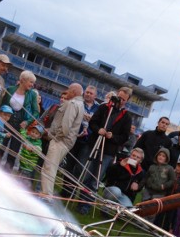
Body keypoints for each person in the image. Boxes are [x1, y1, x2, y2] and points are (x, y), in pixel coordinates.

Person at [79, 86, 133, 214]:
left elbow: (125, 137)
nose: (121, 101)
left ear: (127, 101)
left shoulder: (127, 117)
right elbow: (93, 122)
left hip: (108, 151)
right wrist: (99, 130)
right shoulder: (105, 108)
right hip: (94, 144)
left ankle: (86, 206)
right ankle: (80, 201)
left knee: (95, 179)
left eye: (124, 100)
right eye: (119, 98)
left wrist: (112, 136)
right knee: (86, 174)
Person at [40, 83, 85, 199]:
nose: (67, 91)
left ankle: (46, 196)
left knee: (49, 168)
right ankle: (46, 194)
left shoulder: (72, 104)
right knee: (50, 167)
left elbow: (66, 126)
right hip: (66, 141)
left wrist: (55, 137)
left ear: (74, 92)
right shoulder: (80, 104)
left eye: (69, 90)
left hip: (60, 141)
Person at [60, 85, 99, 198]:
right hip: (75, 138)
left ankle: (72, 191)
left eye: (91, 93)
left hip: (88, 141)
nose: (88, 94)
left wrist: (91, 120)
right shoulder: (78, 102)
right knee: (69, 165)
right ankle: (65, 191)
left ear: (95, 96)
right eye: (87, 92)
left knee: (80, 168)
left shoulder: (98, 108)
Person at [1, 70, 41, 171]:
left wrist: (27, 122)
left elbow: (36, 112)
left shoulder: (32, 95)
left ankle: (6, 173)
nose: (32, 85)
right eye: (30, 82)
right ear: (23, 80)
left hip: (20, 126)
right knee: (0, 146)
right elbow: (2, 105)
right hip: (6, 122)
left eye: (33, 82)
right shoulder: (10, 89)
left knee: (13, 152)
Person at [142, 148, 176, 226]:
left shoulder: (169, 168)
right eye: (159, 155)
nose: (161, 157)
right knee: (144, 205)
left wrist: (164, 186)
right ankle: (140, 221)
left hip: (160, 192)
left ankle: (148, 224)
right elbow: (146, 177)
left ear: (167, 158)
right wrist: (140, 186)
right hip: (148, 190)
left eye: (163, 156)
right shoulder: (152, 166)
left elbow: (172, 180)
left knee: (153, 209)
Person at [17, 120, 44, 190]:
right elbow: (23, 136)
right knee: (19, 178)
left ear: (39, 136)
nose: (33, 134)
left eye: (36, 133)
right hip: (22, 164)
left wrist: (31, 148)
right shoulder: (28, 138)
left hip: (28, 167)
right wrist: (22, 129)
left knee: (23, 181)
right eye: (32, 132)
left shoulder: (38, 144)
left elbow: (38, 150)